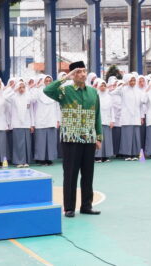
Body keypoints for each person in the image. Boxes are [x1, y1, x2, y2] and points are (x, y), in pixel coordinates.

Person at [43, 61, 102, 218]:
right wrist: (66, 77)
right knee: (70, 174)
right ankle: (69, 207)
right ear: (73, 75)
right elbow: (47, 90)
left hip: (89, 138)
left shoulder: (93, 92)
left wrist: (99, 136)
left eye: (84, 71)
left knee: (88, 174)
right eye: (78, 72)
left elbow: (97, 115)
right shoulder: (64, 91)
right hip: (70, 138)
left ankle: (86, 206)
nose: (82, 74)